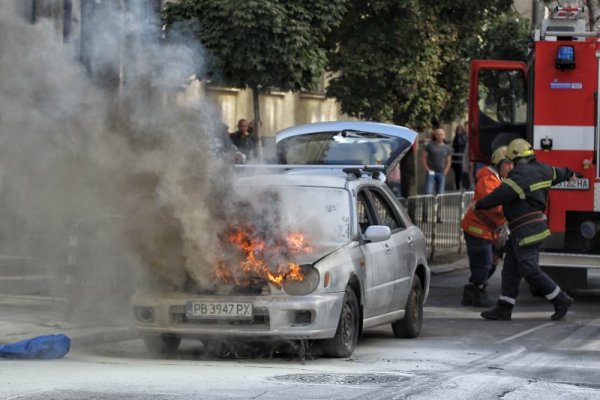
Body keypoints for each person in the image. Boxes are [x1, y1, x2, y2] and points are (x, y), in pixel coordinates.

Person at [472, 138, 579, 321]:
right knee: (511, 269)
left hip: (526, 230)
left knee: (529, 269)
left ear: (516, 159)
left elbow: (500, 195)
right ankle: (504, 307)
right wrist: (570, 174)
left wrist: (478, 205)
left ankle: (560, 299)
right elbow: (561, 173)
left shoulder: (519, 175)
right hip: (530, 227)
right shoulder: (546, 169)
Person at [460, 146, 512, 307]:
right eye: (507, 164)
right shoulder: (488, 180)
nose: (511, 167)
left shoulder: (499, 179)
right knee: (484, 262)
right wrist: (512, 207)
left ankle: (472, 290)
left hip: (488, 230)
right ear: (498, 163)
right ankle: (477, 292)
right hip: (478, 229)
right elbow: (493, 205)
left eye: (512, 164)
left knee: (491, 264)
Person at [421, 128, 452, 222]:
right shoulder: (429, 146)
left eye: (441, 134)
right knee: (428, 193)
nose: (440, 136)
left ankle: (439, 216)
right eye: (438, 134)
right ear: (435, 135)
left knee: (440, 195)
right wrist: (427, 169)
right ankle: (425, 215)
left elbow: (448, 161)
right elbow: (423, 158)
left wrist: (445, 172)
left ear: (444, 136)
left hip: (441, 173)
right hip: (431, 172)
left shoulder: (447, 148)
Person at [451, 124, 468, 191]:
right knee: (458, 174)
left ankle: (464, 187)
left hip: (463, 158)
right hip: (457, 159)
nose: (460, 131)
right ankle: (458, 187)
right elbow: (459, 144)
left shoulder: (465, 137)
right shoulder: (457, 137)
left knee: (463, 173)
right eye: (458, 130)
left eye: (461, 130)